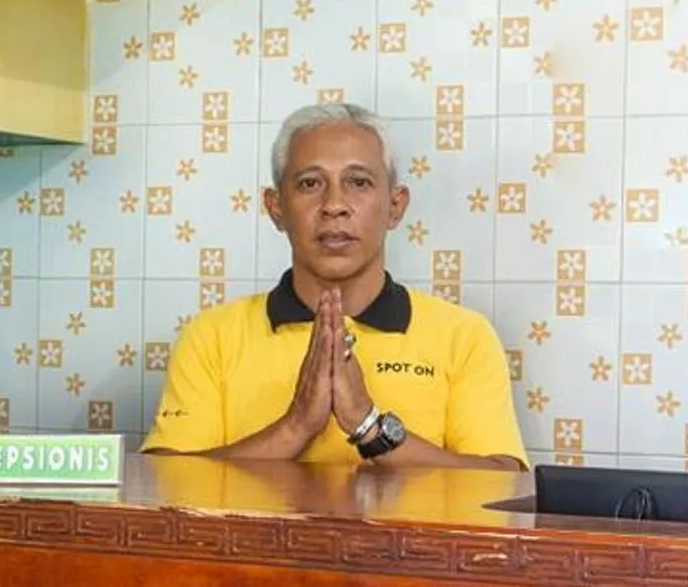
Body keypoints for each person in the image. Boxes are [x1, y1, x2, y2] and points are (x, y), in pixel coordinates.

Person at [143, 103, 529, 470]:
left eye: (358, 182)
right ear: (276, 208)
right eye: (310, 183)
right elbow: (163, 482)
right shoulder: (210, 338)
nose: (334, 205)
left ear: (395, 207)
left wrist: (368, 425)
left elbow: (500, 482)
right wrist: (294, 427)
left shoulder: (465, 338)